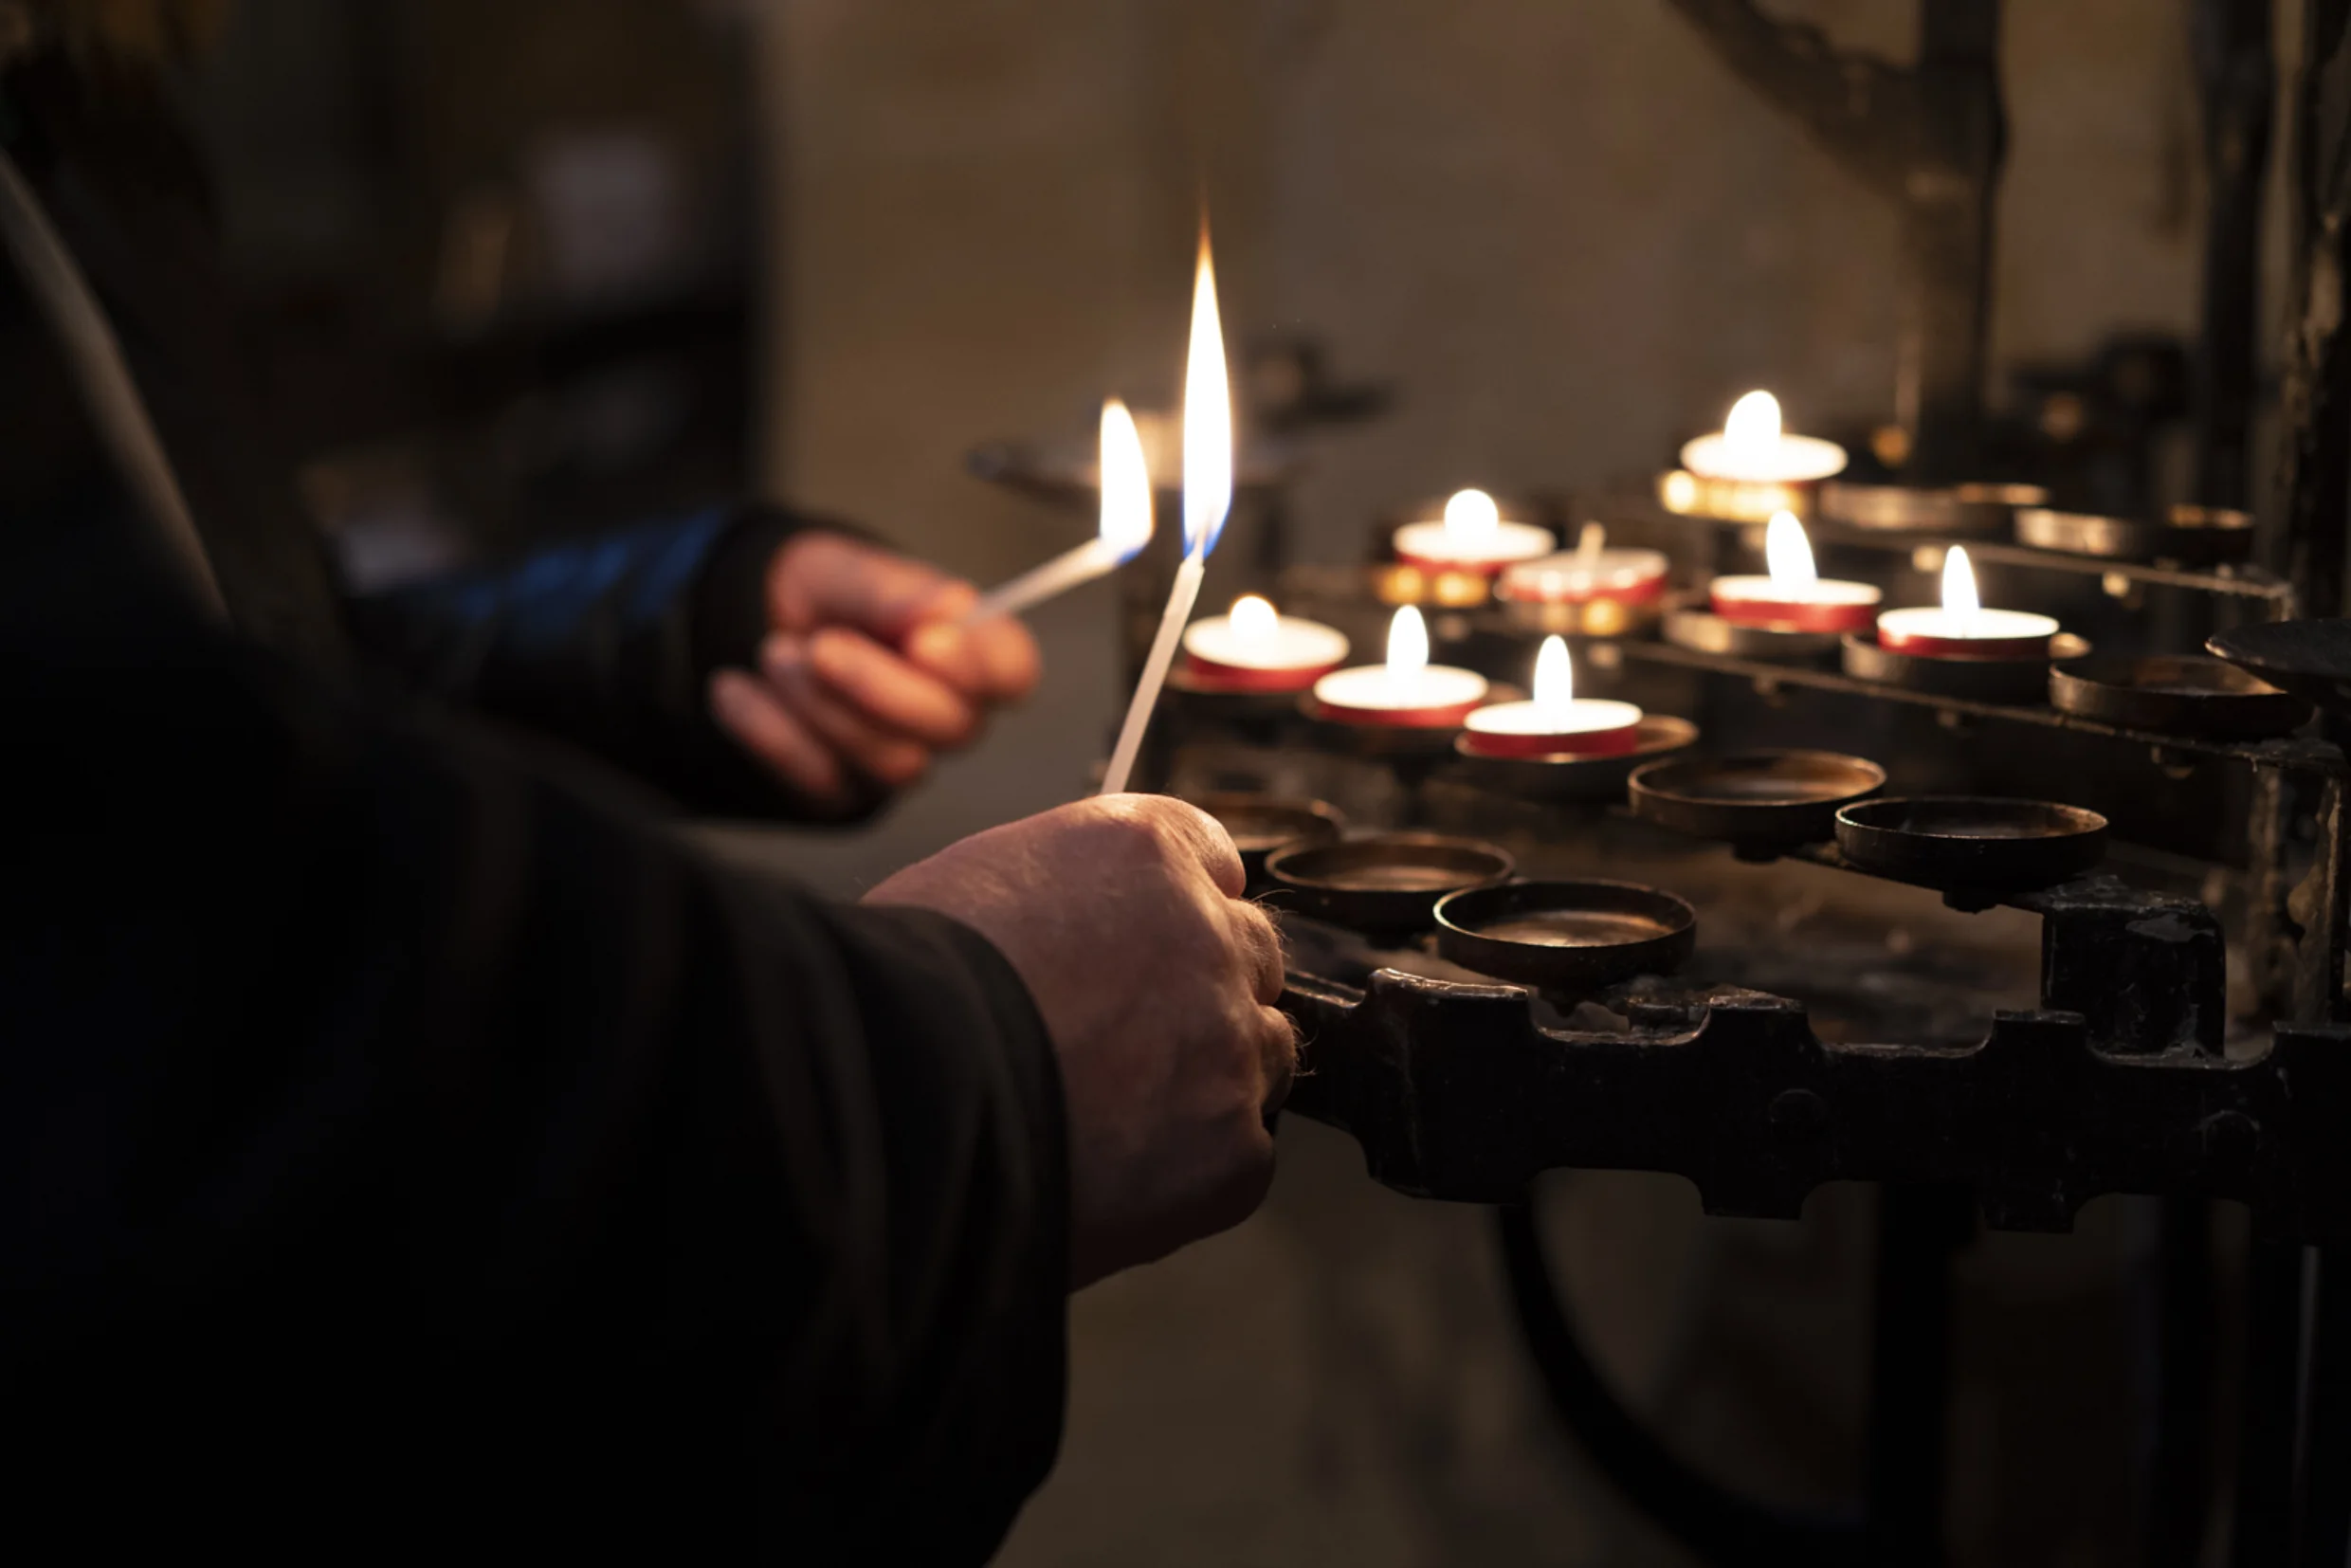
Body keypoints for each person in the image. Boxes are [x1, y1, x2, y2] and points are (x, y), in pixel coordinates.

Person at [0, 5, 1293, 1558]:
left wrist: (651, 643)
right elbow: (166, 1018)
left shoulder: (70, 95)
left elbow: (214, 703)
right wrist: (958, 1077)